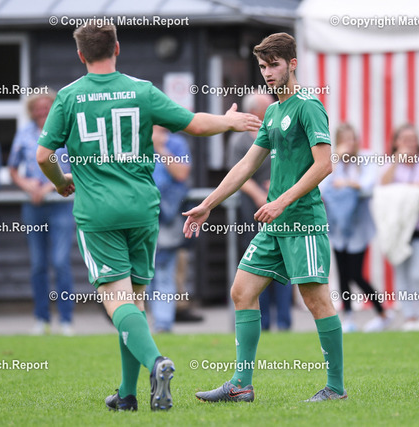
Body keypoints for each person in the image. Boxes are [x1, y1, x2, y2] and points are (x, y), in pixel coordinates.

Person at [36, 23, 260, 412]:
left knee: (116, 300)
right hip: (142, 208)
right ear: (117, 48)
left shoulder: (69, 97)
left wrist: (60, 182)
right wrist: (229, 121)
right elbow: (194, 123)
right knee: (135, 302)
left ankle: (157, 362)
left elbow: (43, 156)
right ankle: (127, 394)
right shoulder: (141, 90)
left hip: (98, 211)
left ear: (80, 55)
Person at [184, 32, 346, 403]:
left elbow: (325, 165)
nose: (268, 73)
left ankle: (336, 388)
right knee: (241, 292)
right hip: (275, 225)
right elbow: (246, 165)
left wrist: (281, 201)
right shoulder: (272, 112)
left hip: (302, 221)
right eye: (262, 66)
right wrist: (208, 204)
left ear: (292, 64)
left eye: (274, 65)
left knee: (316, 301)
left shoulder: (309, 106)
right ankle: (241, 384)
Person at [8, 90, 75, 336]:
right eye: (38, 107)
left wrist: (51, 184)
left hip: (61, 202)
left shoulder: (66, 130)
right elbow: (13, 168)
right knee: (38, 264)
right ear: (31, 110)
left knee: (60, 262)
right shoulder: (24, 133)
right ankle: (41, 318)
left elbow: (77, 165)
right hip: (34, 206)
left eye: (47, 106)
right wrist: (27, 185)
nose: (42, 111)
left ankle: (66, 319)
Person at [228, 93, 293, 331]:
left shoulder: (279, 132)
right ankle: (263, 321)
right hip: (251, 212)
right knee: (257, 264)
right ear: (256, 111)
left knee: (283, 261)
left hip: (280, 208)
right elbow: (238, 172)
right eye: (268, 106)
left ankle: (284, 321)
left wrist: (278, 187)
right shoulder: (239, 141)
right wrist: (259, 195)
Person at [321, 123, 390, 333]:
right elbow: (322, 186)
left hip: (358, 227)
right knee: (342, 274)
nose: (349, 144)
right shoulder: (331, 160)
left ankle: (382, 313)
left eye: (352, 139)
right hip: (337, 227)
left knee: (355, 274)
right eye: (344, 140)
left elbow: (368, 184)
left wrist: (347, 184)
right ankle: (348, 317)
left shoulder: (365, 158)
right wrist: (336, 160)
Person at [380, 124, 419, 331]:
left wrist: (402, 191)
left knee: (418, 273)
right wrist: (397, 160)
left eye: (412, 139)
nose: (409, 143)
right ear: (396, 142)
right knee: (402, 275)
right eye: (404, 139)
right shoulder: (390, 163)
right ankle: (409, 317)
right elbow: (383, 184)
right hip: (398, 230)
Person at [147, 125, 191, 333]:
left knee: (165, 271)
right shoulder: (135, 139)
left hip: (168, 217)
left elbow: (182, 173)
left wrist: (160, 149)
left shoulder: (177, 143)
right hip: (141, 214)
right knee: (144, 274)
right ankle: (151, 320)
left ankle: (163, 323)